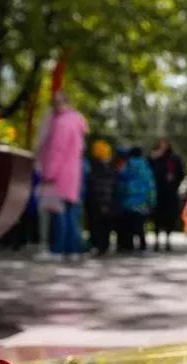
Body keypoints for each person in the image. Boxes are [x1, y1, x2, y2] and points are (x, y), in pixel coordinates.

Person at [38, 91, 88, 260]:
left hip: (60, 174)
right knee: (70, 213)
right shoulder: (76, 121)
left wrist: (49, 173)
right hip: (73, 174)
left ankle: (57, 250)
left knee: (58, 213)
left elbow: (56, 151)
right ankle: (72, 249)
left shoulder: (61, 123)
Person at [116, 147, 157, 252]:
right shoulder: (146, 167)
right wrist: (151, 202)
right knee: (140, 226)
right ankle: (142, 245)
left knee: (128, 226)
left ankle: (129, 246)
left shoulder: (126, 166)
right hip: (142, 203)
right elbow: (151, 186)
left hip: (127, 202)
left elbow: (120, 184)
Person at [84, 140, 119, 256]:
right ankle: (104, 245)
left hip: (95, 201)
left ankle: (96, 245)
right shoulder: (112, 166)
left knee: (95, 225)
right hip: (109, 201)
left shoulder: (92, 165)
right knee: (106, 225)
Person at [149, 137, 185, 252]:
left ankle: (168, 240)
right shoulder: (154, 157)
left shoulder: (174, 159)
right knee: (157, 218)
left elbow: (181, 174)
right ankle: (156, 241)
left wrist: (174, 181)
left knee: (169, 218)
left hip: (170, 193)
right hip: (158, 192)